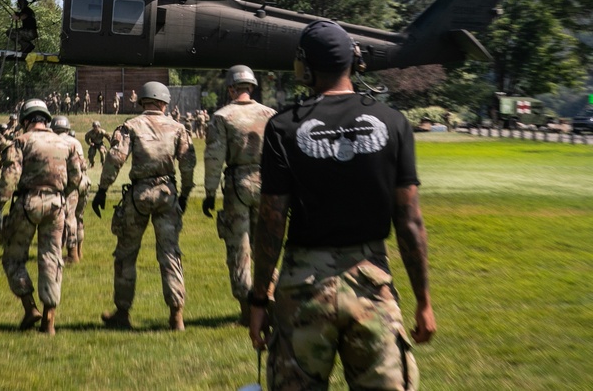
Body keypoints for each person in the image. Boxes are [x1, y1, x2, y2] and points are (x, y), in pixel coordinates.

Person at [248, 20, 436, 389]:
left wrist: (259, 299)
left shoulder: (284, 126)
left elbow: (271, 221)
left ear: (305, 67)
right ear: (356, 62)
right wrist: (423, 301)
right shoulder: (393, 123)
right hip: (372, 283)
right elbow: (410, 221)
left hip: (302, 286)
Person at [91, 81, 197, 331]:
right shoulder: (178, 127)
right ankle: (176, 314)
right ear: (164, 102)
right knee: (170, 254)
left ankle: (123, 312)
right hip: (167, 194)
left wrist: (103, 189)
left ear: (143, 102)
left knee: (126, 254)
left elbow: (115, 158)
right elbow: (188, 163)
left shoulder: (130, 126)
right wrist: (185, 194)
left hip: (138, 195)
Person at [0, 100, 83, 335]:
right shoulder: (66, 143)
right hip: (57, 205)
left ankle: (30, 307)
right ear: (46, 119)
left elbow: (11, 176)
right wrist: (62, 194)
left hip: (27, 203)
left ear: (25, 120)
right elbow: (76, 178)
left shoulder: (21, 142)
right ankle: (49, 322)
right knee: (52, 259)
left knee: (13, 257)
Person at [202, 65, 277, 325]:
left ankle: (247, 313)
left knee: (239, 249)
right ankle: (272, 301)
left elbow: (214, 157)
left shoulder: (223, 116)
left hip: (238, 184)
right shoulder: (271, 115)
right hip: (268, 185)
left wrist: (210, 193)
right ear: (252, 87)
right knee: (265, 246)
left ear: (232, 89)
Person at [51, 115, 91, 264]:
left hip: (61, 184)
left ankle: (70, 255)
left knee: (65, 218)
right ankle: (77, 253)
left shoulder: (52, 141)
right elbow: (82, 165)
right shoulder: (75, 142)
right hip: (79, 183)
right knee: (77, 218)